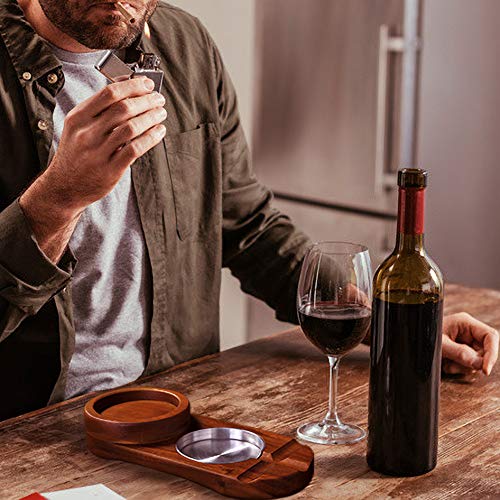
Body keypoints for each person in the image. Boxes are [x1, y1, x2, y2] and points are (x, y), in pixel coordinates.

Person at [0, 0, 497, 421]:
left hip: (173, 412)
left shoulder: (184, 45)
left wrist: (391, 324)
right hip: (30, 427)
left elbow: (249, 227)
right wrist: (58, 198)